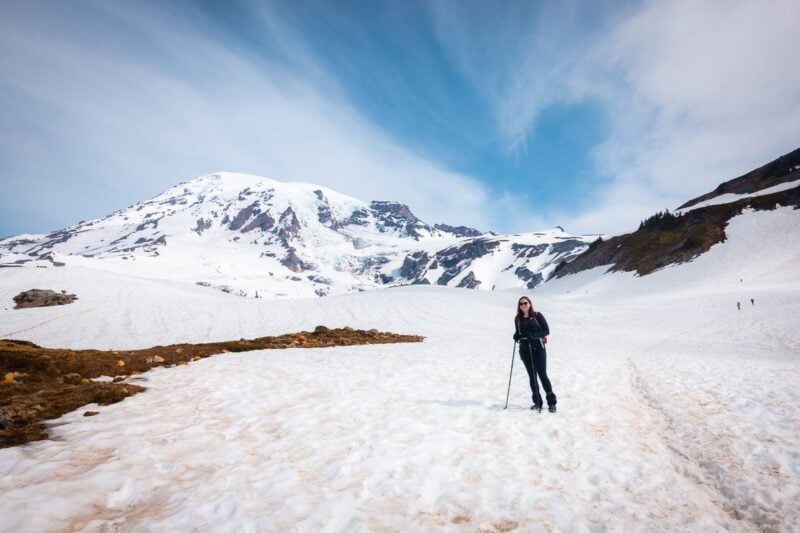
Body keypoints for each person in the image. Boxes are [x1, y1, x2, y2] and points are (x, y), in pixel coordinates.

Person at [513, 296, 557, 412]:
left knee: (542, 375)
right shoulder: (517, 319)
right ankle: (537, 402)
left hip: (538, 349)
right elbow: (519, 332)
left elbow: (546, 330)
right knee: (532, 376)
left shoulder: (537, 316)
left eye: (525, 303)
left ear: (530, 304)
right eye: (521, 304)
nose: (523, 305)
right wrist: (516, 335)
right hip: (525, 349)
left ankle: (551, 403)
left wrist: (534, 335)